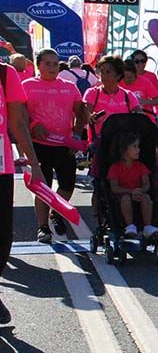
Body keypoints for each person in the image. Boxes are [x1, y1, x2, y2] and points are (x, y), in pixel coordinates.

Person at [22, 48, 89, 242]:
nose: (52, 67)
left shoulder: (70, 87)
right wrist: (34, 125)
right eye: (47, 63)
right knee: (43, 185)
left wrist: (76, 135)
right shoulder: (27, 85)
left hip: (64, 144)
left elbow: (81, 113)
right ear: (38, 65)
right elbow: (19, 114)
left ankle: (56, 213)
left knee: (68, 184)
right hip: (38, 144)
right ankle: (43, 228)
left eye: (55, 63)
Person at [0, 60, 45, 324]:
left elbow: (18, 122)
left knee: (3, 236)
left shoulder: (6, 74)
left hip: (1, 166)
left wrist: (35, 164)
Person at [106, 131, 157, 240]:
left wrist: (140, 190)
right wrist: (131, 191)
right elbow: (114, 187)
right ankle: (130, 226)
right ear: (125, 150)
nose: (138, 150)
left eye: (138, 146)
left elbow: (146, 183)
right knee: (125, 198)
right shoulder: (115, 168)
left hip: (138, 193)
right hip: (122, 196)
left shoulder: (140, 166)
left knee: (146, 197)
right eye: (134, 147)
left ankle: (147, 226)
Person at [84, 56, 141, 138]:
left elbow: (140, 117)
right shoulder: (92, 93)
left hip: (123, 145)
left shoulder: (128, 95)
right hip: (99, 143)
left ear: (118, 76)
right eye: (102, 72)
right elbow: (85, 112)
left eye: (108, 72)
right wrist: (90, 116)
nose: (103, 75)